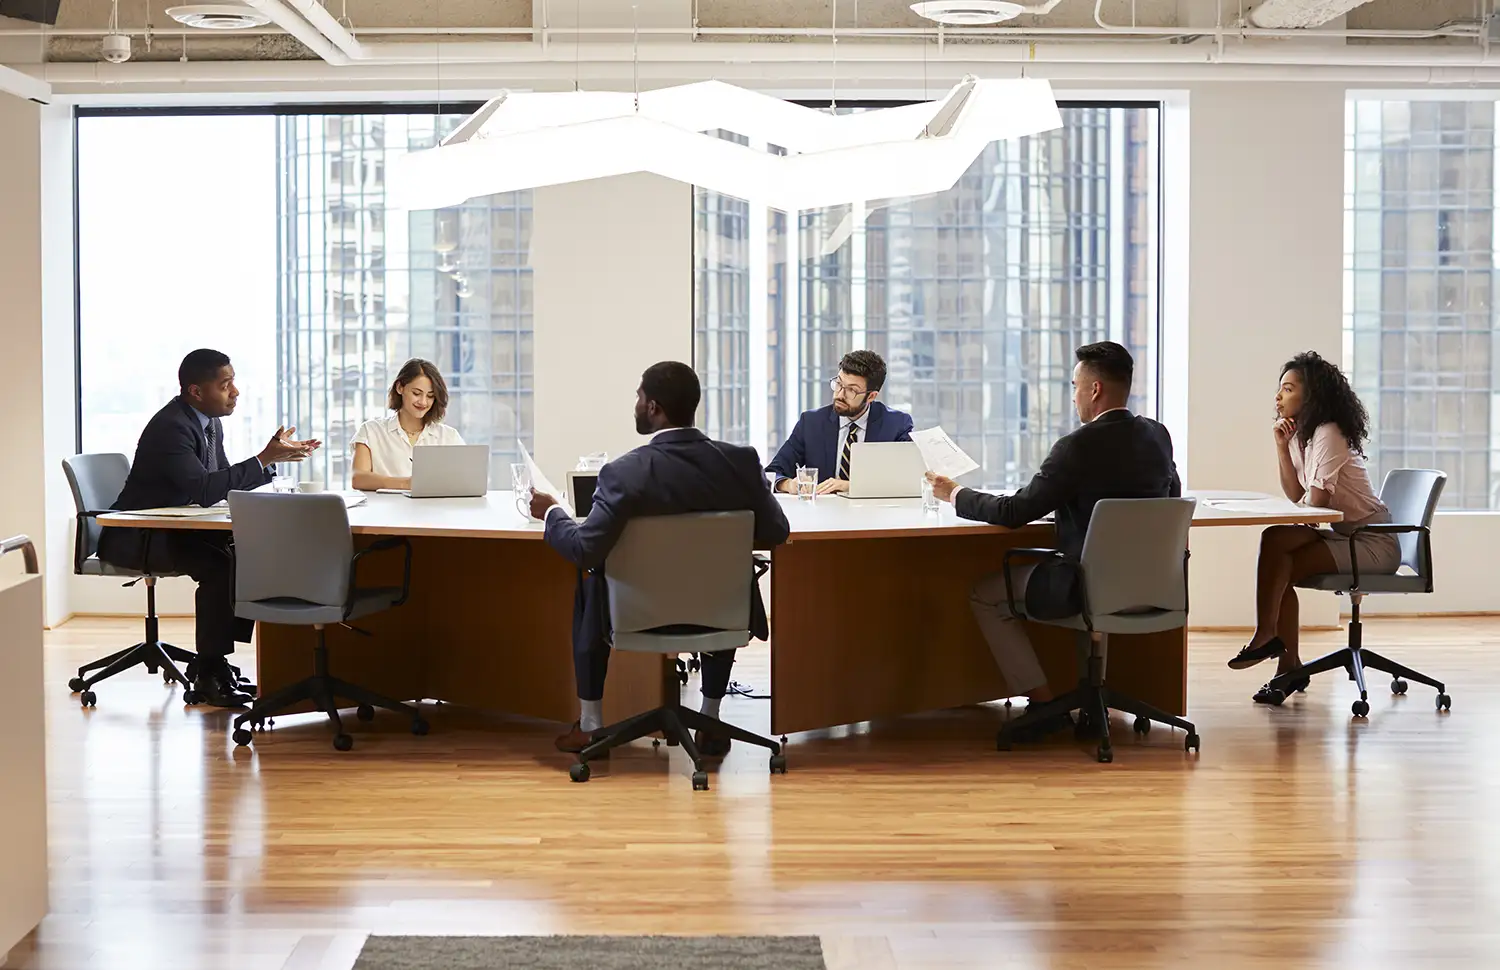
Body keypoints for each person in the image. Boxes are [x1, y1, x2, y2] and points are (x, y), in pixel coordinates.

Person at [528, 361, 790, 758]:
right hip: (720, 613)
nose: (636, 403)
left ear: (654, 407)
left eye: (639, 396)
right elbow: (777, 532)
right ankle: (711, 721)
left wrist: (551, 512)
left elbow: (585, 549)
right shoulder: (739, 462)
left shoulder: (624, 473)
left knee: (590, 579)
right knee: (726, 577)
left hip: (636, 616)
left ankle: (591, 726)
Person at [926, 341, 1180, 715]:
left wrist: (955, 493)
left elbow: (1014, 510)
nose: (1073, 396)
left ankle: (1042, 699)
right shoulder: (1158, 435)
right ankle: (1093, 696)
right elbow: (1170, 495)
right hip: (1154, 585)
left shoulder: (1076, 446)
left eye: (1075, 386)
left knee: (984, 594)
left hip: (1086, 587)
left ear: (1094, 390)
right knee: (1101, 578)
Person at [98, 349, 321, 708]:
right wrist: (264, 458)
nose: (235, 392)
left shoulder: (207, 423)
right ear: (196, 391)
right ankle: (208, 673)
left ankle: (213, 665)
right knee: (220, 567)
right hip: (136, 537)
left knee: (241, 555)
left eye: (233, 382)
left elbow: (221, 483)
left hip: (171, 531)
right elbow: (204, 491)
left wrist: (270, 463)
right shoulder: (172, 427)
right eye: (226, 384)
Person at [1226, 351, 1400, 702]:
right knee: (1279, 555)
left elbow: (1315, 505)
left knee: (1276, 540)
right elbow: (1296, 494)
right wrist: (1280, 445)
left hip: (1373, 543)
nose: (1278, 397)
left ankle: (1267, 638)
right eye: (1279, 389)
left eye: (1288, 389)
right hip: (1345, 536)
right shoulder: (1300, 435)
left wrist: (1298, 515)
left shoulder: (1329, 433)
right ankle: (1286, 666)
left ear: (1311, 397)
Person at [765, 349, 914, 494]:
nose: (840, 394)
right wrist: (789, 484)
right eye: (838, 384)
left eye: (852, 390)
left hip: (874, 514)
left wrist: (850, 486)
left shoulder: (897, 425)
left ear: (871, 396)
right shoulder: (811, 423)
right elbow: (773, 473)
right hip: (823, 514)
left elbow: (907, 479)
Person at [350, 358, 465, 491]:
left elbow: (464, 480)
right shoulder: (371, 431)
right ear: (400, 388)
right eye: (416, 393)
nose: (423, 402)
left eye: (430, 396)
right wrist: (406, 484)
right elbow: (359, 478)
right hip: (385, 510)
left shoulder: (449, 436)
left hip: (434, 510)